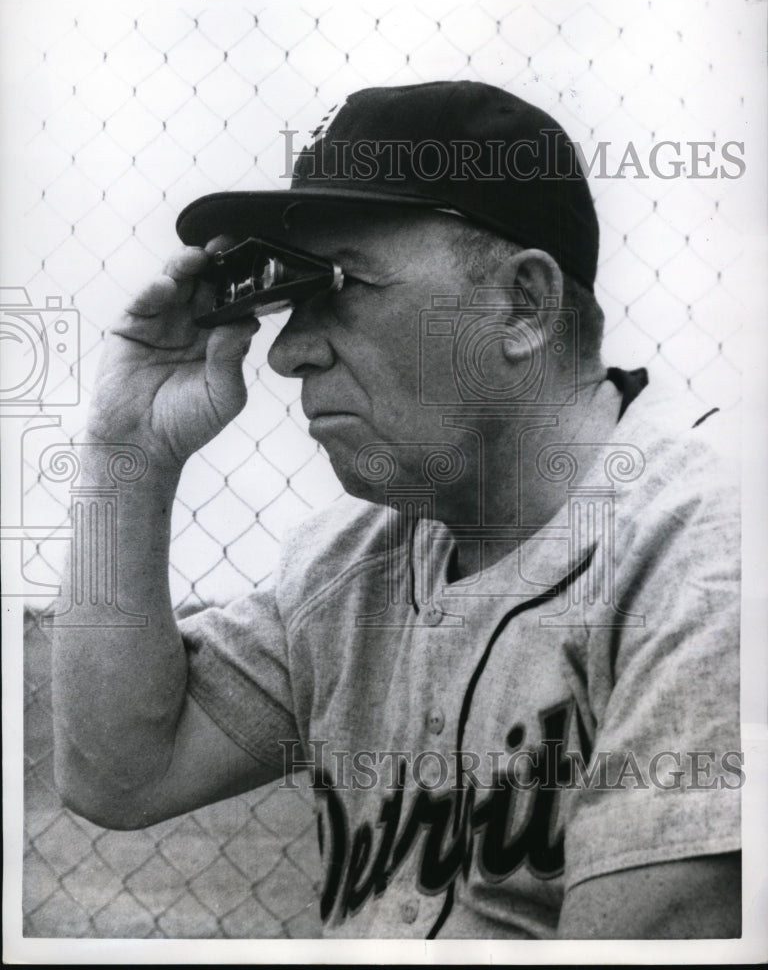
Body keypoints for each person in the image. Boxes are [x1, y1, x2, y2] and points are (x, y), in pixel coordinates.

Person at [51, 81, 741, 939]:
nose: (289, 352)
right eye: (286, 300)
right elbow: (117, 774)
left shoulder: (706, 559)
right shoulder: (350, 561)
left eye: (336, 285)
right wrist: (128, 452)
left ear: (523, 304)